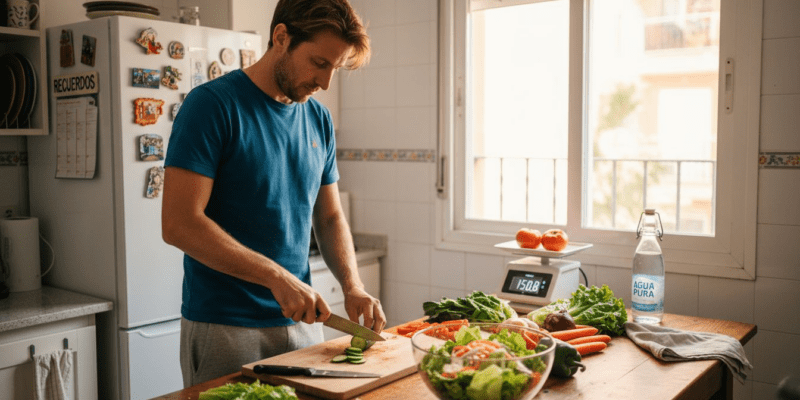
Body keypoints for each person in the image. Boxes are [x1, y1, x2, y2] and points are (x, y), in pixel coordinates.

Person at [161, 0, 385, 387]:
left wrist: (353, 286)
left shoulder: (318, 119)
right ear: (281, 37)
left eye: (335, 68)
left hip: (303, 323)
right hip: (226, 326)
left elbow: (329, 216)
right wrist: (277, 277)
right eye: (319, 63)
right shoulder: (212, 106)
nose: (325, 82)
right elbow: (179, 224)